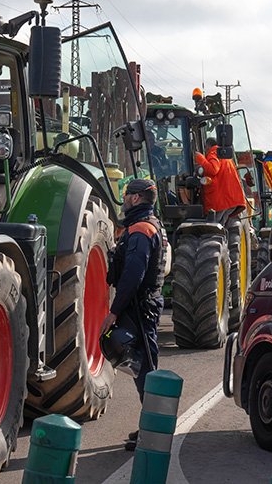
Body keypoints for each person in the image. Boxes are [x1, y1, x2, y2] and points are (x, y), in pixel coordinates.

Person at [100, 178, 167, 451]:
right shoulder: (146, 226)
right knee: (143, 369)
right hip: (143, 306)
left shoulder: (141, 231)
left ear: (136, 199)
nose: (124, 198)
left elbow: (132, 276)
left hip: (141, 308)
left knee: (146, 371)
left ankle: (154, 435)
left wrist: (113, 312)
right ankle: (149, 430)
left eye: (127, 194)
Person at [194, 137, 247, 222]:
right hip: (230, 199)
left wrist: (200, 159)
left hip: (220, 201)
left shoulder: (213, 153)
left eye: (205, 148)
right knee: (221, 226)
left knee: (214, 226)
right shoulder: (224, 156)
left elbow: (213, 169)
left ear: (208, 146)